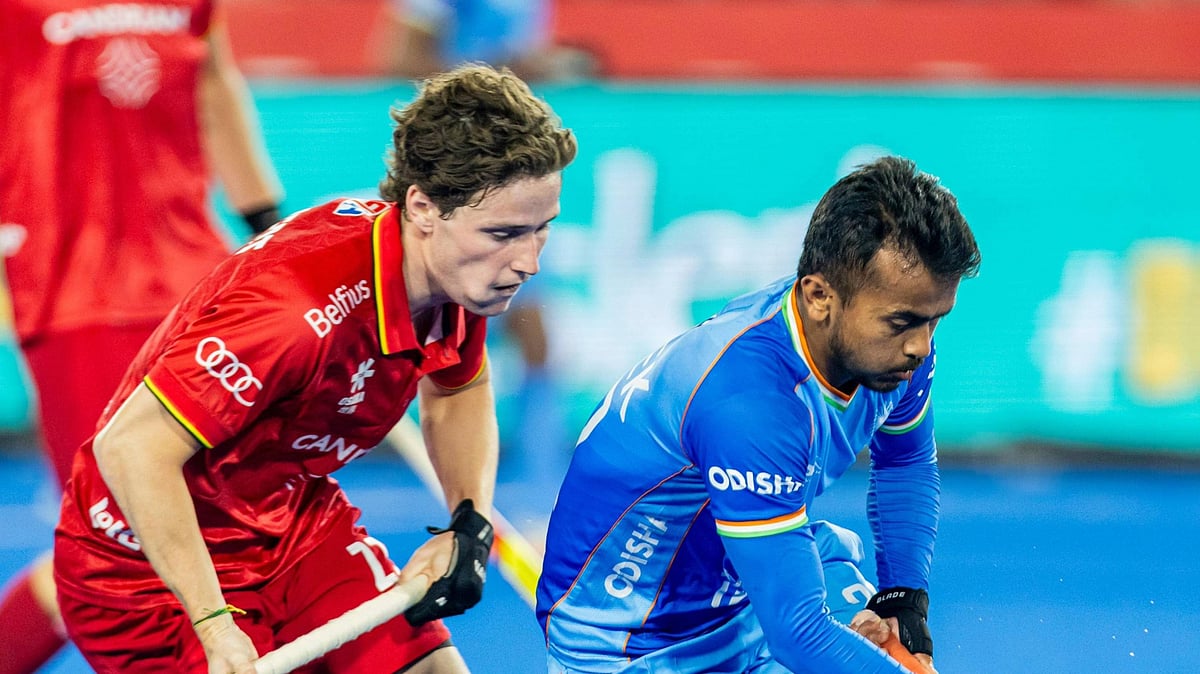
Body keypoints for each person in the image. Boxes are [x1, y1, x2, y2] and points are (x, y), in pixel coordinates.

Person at [52, 63, 576, 673]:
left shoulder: (452, 273)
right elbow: (131, 449)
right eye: (506, 233)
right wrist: (214, 625)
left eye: (542, 230)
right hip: (146, 566)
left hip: (289, 521)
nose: (528, 262)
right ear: (423, 207)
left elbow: (460, 384)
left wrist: (469, 520)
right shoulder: (296, 311)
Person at [536, 156, 981, 673]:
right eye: (903, 323)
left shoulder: (888, 343)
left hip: (740, 589)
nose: (921, 348)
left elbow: (904, 461)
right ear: (820, 297)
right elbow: (797, 635)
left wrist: (904, 594)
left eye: (934, 321)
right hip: (631, 640)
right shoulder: (750, 406)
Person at [0, 1, 283, 672]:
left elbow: (214, 84)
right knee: (117, 536)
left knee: (214, 528)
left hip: (193, 280)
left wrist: (267, 227)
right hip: (73, 287)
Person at [371, 0, 595, 82]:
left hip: (505, 119)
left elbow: (524, 55)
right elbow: (405, 62)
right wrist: (496, 74)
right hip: (445, 121)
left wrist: (552, 66)